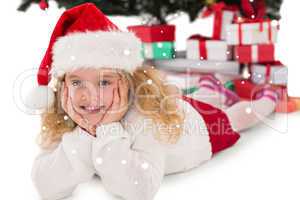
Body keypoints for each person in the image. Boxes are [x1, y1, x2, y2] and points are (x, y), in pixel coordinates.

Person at [27, 3, 278, 200]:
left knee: (236, 118)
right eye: (76, 82)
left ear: (127, 82)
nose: (89, 95)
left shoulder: (145, 120)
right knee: (195, 97)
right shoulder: (66, 119)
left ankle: (268, 98)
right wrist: (83, 134)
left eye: (104, 82)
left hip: (197, 130)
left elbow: (139, 190)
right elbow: (46, 186)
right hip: (178, 103)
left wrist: (108, 128)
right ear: (62, 87)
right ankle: (210, 87)